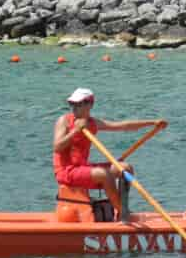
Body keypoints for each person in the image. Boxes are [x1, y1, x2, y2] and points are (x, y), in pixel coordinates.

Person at [52, 89, 166, 222]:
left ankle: (121, 211)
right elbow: (57, 147)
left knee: (125, 168)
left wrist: (152, 123)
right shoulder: (64, 121)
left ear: (90, 104)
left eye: (78, 104)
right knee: (104, 174)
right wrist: (76, 131)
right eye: (72, 104)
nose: (74, 108)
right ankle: (126, 215)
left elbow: (123, 126)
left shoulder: (93, 123)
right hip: (66, 171)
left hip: (81, 168)